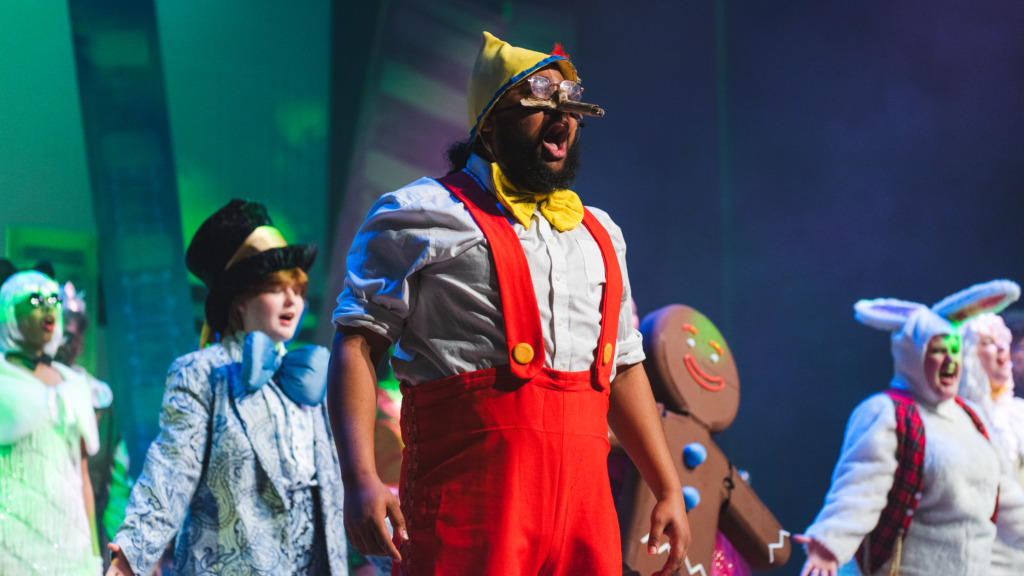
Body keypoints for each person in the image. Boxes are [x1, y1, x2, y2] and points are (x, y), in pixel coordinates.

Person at [328, 31, 689, 576]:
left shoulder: (601, 235)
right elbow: (357, 344)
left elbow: (623, 368)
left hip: (584, 514)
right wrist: (359, 480)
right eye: (542, 103)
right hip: (471, 502)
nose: (562, 118)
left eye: (571, 107)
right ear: (489, 123)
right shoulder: (419, 213)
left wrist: (666, 485)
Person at [107, 199, 349, 575]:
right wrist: (130, 557)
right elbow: (170, 470)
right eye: (274, 288)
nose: (292, 300)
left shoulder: (310, 378)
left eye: (298, 289)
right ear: (239, 303)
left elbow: (341, 487)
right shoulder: (202, 373)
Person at [796, 280, 1024, 576]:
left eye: (954, 350)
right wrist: (828, 546)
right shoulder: (889, 411)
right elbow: (860, 490)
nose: (950, 360)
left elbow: (1006, 498)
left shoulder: (971, 418)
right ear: (912, 357)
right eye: (938, 350)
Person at [0, 268, 102, 575]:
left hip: (71, 541)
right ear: (9, 311)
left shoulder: (74, 384)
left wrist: (95, 555)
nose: (47, 307)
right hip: (11, 540)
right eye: (34, 300)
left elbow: (83, 476)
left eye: (53, 299)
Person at [57, 281, 134, 570]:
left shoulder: (95, 393)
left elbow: (108, 469)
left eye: (72, 335)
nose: (66, 342)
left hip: (88, 511)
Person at [959, 310, 1024, 574]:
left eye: (1003, 341)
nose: (1001, 348)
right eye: (987, 342)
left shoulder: (1018, 413)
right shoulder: (959, 418)